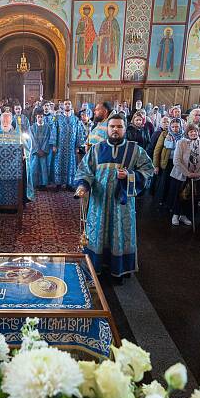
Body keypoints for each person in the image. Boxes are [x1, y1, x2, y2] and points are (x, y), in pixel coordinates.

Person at [75, 114, 154, 283]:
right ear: (108, 129)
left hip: (121, 205)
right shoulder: (96, 149)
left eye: (119, 127)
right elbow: (85, 171)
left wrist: (130, 175)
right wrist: (83, 185)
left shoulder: (135, 150)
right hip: (99, 202)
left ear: (125, 129)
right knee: (97, 234)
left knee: (119, 234)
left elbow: (148, 171)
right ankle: (95, 267)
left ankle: (119, 269)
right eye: (112, 127)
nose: (115, 130)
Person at [168, 123, 200, 226]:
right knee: (179, 196)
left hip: (196, 176)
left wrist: (199, 173)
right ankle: (175, 215)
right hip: (180, 175)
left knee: (190, 198)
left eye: (195, 131)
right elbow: (176, 161)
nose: (193, 133)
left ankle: (184, 215)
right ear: (187, 133)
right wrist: (187, 173)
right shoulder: (181, 143)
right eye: (191, 131)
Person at [52, 104, 86, 190]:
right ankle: (58, 184)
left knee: (71, 164)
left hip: (71, 146)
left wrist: (78, 145)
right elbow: (54, 131)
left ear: (71, 106)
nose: (67, 105)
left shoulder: (75, 119)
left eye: (69, 104)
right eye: (65, 104)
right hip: (60, 146)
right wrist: (54, 144)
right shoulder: (58, 118)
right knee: (59, 163)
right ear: (63, 106)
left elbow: (79, 132)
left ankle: (69, 184)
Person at [152, 118, 183, 207]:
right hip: (167, 162)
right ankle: (162, 202)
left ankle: (171, 203)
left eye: (177, 127)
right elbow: (157, 150)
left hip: (178, 164)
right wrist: (156, 165)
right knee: (164, 184)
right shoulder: (165, 134)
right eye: (172, 127)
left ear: (180, 127)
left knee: (174, 185)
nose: (174, 129)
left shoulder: (184, 136)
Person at [29, 112, 55, 189]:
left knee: (44, 167)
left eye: (41, 117)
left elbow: (48, 139)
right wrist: (37, 149)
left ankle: (43, 184)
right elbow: (32, 139)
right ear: (36, 118)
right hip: (35, 152)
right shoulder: (32, 127)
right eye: (38, 117)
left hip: (44, 152)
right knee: (34, 166)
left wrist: (43, 150)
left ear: (43, 117)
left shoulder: (47, 127)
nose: (40, 118)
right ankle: (35, 183)